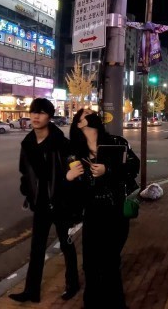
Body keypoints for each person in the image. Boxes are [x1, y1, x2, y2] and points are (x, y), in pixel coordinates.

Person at [8, 98, 80, 303]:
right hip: (40, 204)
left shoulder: (61, 143)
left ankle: (72, 284)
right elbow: (25, 173)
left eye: (41, 113)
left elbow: (74, 173)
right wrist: (28, 194)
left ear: (49, 116)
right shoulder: (28, 143)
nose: (36, 116)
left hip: (61, 204)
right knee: (36, 249)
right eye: (33, 112)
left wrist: (67, 193)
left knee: (66, 245)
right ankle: (31, 291)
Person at [67, 109, 140, 309]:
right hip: (91, 214)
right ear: (79, 124)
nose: (91, 114)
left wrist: (109, 170)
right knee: (90, 265)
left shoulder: (117, 142)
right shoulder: (74, 151)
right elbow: (67, 185)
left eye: (92, 112)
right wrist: (69, 177)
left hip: (115, 212)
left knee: (110, 264)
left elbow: (134, 166)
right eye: (85, 113)